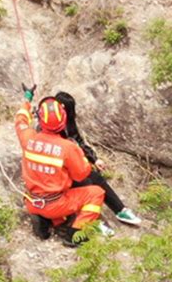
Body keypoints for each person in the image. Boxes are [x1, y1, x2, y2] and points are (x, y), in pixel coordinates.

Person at [15, 90, 107, 247]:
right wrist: (86, 160)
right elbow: (81, 175)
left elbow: (20, 119)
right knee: (96, 193)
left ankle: (48, 221)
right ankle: (74, 235)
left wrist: (27, 99)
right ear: (63, 121)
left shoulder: (28, 138)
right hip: (56, 203)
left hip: (32, 200)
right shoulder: (67, 147)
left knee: (56, 200)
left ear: (41, 121)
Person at [55, 91, 142, 226]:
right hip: (59, 173)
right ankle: (92, 222)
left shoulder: (68, 124)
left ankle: (120, 210)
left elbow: (79, 141)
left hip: (73, 165)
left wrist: (94, 159)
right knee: (86, 183)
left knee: (96, 177)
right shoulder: (48, 128)